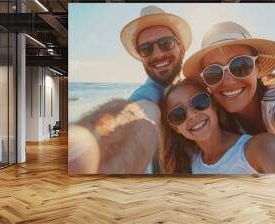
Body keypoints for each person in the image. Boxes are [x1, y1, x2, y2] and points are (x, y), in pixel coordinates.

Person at [68, 6, 192, 174]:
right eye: (146, 49)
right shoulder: (147, 95)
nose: (157, 54)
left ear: (182, 48)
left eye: (166, 43)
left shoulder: (193, 84)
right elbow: (141, 111)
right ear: (142, 58)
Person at [183, 21, 275, 139]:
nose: (228, 81)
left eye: (240, 66)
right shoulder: (212, 122)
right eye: (213, 72)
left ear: (258, 67)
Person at [160, 79, 275, 174]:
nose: (192, 115)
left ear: (213, 105)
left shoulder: (259, 147)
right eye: (178, 114)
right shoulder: (188, 166)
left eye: (199, 101)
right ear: (175, 128)